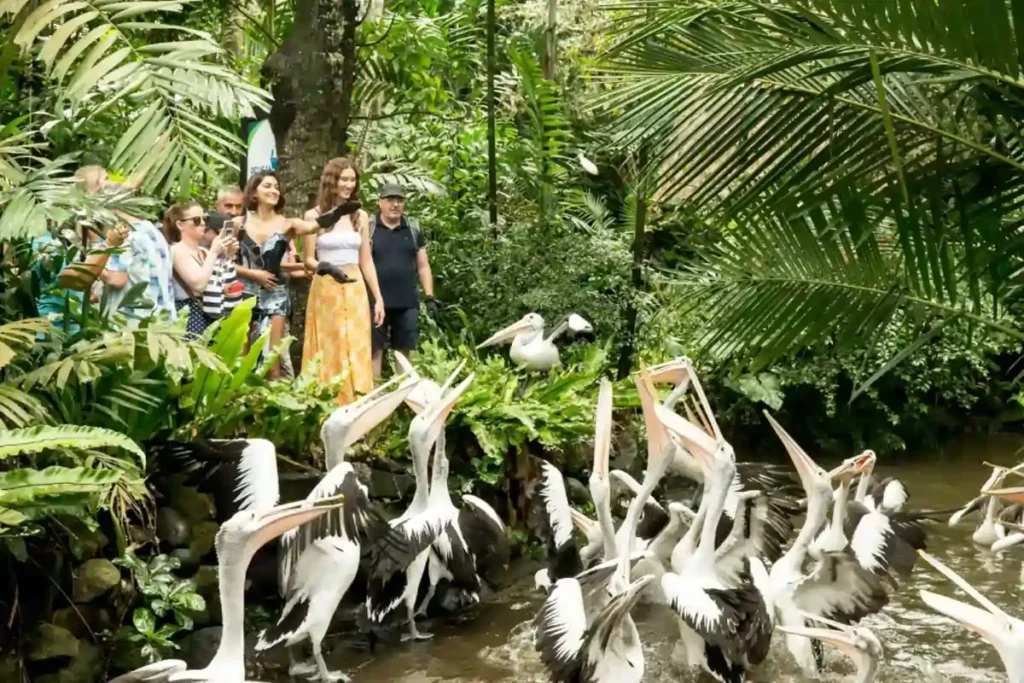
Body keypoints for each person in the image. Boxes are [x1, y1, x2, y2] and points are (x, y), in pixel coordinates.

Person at [233, 171, 351, 379]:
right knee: (241, 358)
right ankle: (240, 408)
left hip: (275, 294)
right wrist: (253, 273)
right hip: (245, 293)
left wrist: (338, 212)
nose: (273, 190)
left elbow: (313, 226)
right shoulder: (238, 223)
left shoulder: (287, 223)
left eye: (276, 187)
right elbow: (224, 263)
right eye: (267, 186)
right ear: (254, 192)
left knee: (272, 360)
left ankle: (274, 408)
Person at [302, 158, 385, 405]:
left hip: (354, 283)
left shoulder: (360, 215)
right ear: (332, 181)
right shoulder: (314, 215)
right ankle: (328, 401)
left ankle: (357, 400)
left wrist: (378, 298)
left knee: (357, 342)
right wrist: (326, 268)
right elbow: (308, 259)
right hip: (327, 283)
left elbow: (366, 261)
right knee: (331, 342)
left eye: (352, 180)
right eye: (344, 179)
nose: (349, 184)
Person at [370, 182, 437, 378]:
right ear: (380, 202)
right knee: (374, 350)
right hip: (376, 301)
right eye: (390, 200)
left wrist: (430, 295)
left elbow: (423, 265)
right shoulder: (370, 228)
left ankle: (404, 395)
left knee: (404, 351)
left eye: (399, 200)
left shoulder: (413, 229)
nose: (395, 204)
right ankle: (375, 397)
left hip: (406, 301)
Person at [165, 202, 239, 337]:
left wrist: (229, 254)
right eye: (197, 220)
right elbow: (198, 285)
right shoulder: (177, 251)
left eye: (205, 219)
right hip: (188, 315)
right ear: (180, 225)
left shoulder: (203, 251)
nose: (203, 223)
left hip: (209, 312)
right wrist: (214, 253)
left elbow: (217, 282)